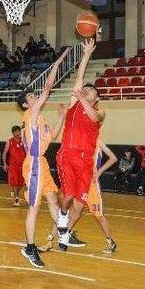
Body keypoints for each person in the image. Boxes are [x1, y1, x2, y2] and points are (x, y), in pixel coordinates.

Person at [16, 47, 71, 265]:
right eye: (30, 95)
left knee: (52, 198)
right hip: (33, 164)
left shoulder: (40, 119)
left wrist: (62, 117)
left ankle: (64, 231)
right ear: (25, 104)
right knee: (34, 207)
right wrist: (57, 64)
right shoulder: (31, 114)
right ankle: (29, 248)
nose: (34, 95)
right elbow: (47, 87)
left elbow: (54, 135)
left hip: (43, 162)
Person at [55, 38, 104, 251]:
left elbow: (94, 118)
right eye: (83, 90)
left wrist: (81, 97)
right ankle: (62, 220)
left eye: (89, 91)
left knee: (79, 204)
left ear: (96, 98)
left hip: (85, 161)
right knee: (67, 197)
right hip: (68, 154)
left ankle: (64, 234)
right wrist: (86, 54)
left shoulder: (100, 111)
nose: (84, 91)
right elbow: (79, 76)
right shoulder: (75, 103)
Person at [88, 140, 118, 253]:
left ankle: (111, 242)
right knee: (72, 210)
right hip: (80, 181)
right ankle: (58, 237)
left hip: (92, 185)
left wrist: (100, 170)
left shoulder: (97, 141)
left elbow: (113, 158)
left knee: (99, 215)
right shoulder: (79, 139)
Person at [2, 126, 25, 207]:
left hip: (23, 165)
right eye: (15, 132)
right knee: (15, 181)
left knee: (21, 183)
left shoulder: (24, 140)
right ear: (13, 133)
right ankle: (16, 198)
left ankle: (16, 193)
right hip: (13, 165)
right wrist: (5, 164)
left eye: (19, 131)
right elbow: (4, 153)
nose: (17, 133)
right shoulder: (9, 141)